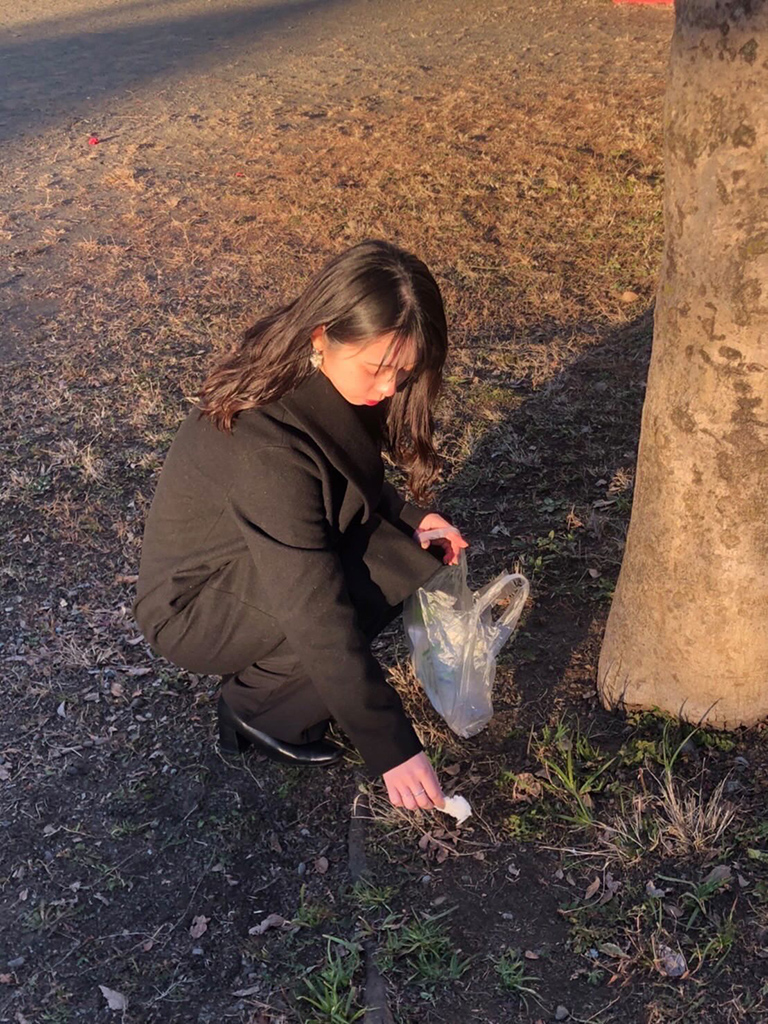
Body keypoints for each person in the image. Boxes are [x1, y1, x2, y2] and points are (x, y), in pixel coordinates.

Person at [133, 239, 468, 813]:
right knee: (378, 571)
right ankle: (259, 709)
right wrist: (391, 746)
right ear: (322, 337)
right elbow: (315, 612)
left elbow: (335, 485)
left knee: (399, 554)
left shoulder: (321, 381)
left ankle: (275, 687)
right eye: (380, 370)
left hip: (252, 560)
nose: (390, 389)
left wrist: (408, 515)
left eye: (404, 372)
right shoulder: (266, 439)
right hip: (194, 607)